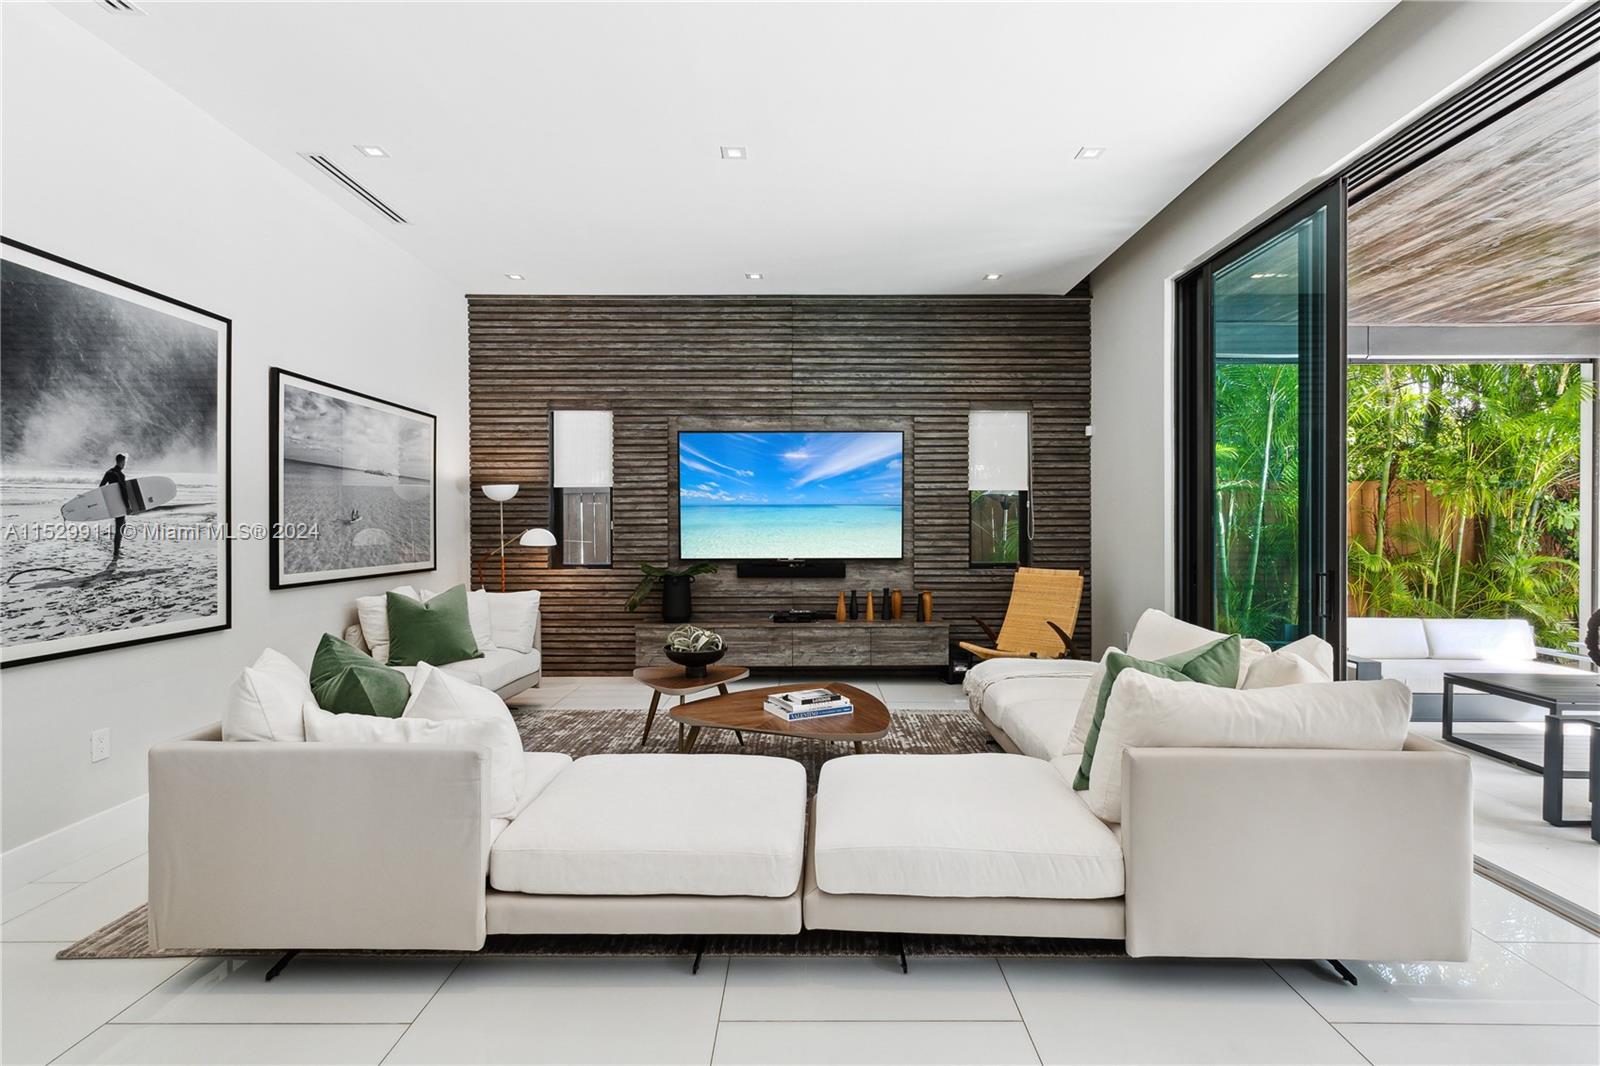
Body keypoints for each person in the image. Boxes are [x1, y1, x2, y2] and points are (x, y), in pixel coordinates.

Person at [99, 452, 131, 559]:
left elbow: (101, 487)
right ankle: (116, 552)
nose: (124, 464)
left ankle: (117, 550)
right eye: (124, 462)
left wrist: (107, 501)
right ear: (121, 462)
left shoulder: (109, 472)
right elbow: (123, 491)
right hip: (120, 504)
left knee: (121, 526)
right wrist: (127, 506)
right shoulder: (120, 475)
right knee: (120, 526)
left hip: (112, 504)